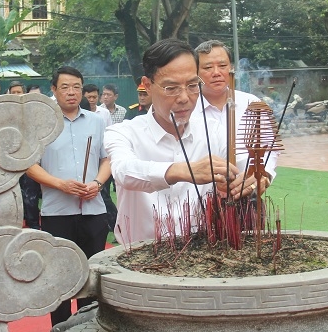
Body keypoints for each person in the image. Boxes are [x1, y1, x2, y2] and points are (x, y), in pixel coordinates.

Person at [104, 39, 252, 245]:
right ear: (147, 85)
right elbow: (123, 171)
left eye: (193, 85)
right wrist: (183, 171)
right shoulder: (123, 132)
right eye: (171, 88)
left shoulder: (214, 131)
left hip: (202, 253)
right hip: (140, 257)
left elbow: (244, 167)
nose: (184, 97)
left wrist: (244, 181)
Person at [25, 66, 110, 326]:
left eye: (76, 87)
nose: (71, 92)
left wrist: (97, 182)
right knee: (59, 275)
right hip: (57, 211)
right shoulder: (42, 124)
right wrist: (59, 184)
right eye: (65, 87)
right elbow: (29, 165)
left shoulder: (97, 121)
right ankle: (60, 331)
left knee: (92, 275)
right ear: (53, 90)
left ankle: (92, 329)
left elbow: (107, 159)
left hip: (93, 209)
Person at [194, 39, 277, 192]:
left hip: (246, 197)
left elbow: (269, 148)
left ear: (231, 68)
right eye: (207, 67)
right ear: (195, 72)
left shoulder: (252, 103)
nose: (216, 73)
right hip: (199, 201)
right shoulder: (187, 108)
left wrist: (264, 175)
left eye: (222, 66)